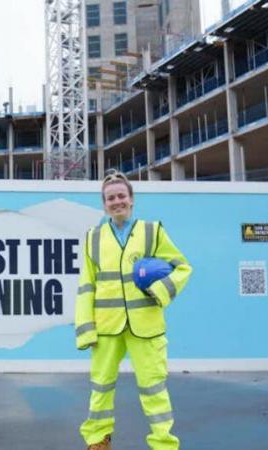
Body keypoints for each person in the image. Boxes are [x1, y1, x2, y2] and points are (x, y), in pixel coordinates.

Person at [75, 171, 192, 450]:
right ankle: (97, 440)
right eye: (110, 198)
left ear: (132, 199)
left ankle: (164, 444)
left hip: (146, 325)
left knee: (154, 389)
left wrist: (159, 290)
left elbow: (182, 267)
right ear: (104, 204)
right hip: (106, 327)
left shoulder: (152, 231)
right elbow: (86, 286)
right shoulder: (92, 238)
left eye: (121, 196)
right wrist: (85, 329)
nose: (117, 202)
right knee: (101, 386)